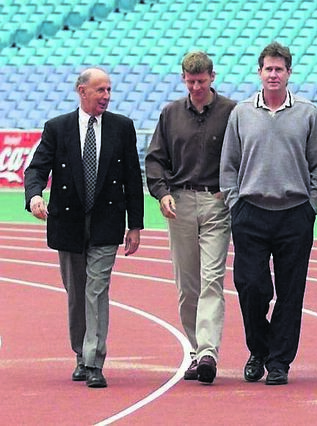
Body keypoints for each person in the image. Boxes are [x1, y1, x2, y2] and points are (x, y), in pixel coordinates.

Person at [24, 67, 144, 388]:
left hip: (107, 220)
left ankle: (94, 360)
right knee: (77, 292)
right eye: (100, 90)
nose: (106, 96)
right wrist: (34, 196)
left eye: (109, 90)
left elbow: (133, 178)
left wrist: (135, 225)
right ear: (82, 91)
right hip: (68, 222)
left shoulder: (122, 127)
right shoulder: (57, 128)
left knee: (97, 289)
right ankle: (81, 352)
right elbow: (36, 169)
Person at [219, 41, 317, 386]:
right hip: (250, 212)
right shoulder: (241, 113)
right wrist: (235, 202)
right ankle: (259, 349)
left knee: (290, 292)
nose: (273, 74)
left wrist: (312, 203)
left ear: (289, 73)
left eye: (279, 69)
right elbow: (228, 165)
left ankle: (279, 361)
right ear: (259, 72)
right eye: (268, 68)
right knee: (251, 286)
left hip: (294, 213)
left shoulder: (308, 113)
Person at [145, 51, 236, 384]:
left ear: (212, 77)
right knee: (187, 285)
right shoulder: (170, 114)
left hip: (216, 203)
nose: (196, 87)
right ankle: (197, 351)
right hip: (180, 202)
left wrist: (230, 190)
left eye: (201, 81)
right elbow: (155, 159)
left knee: (212, 278)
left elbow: (243, 154)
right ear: (183, 78)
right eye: (191, 81)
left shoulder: (232, 112)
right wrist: (162, 192)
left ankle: (208, 351)